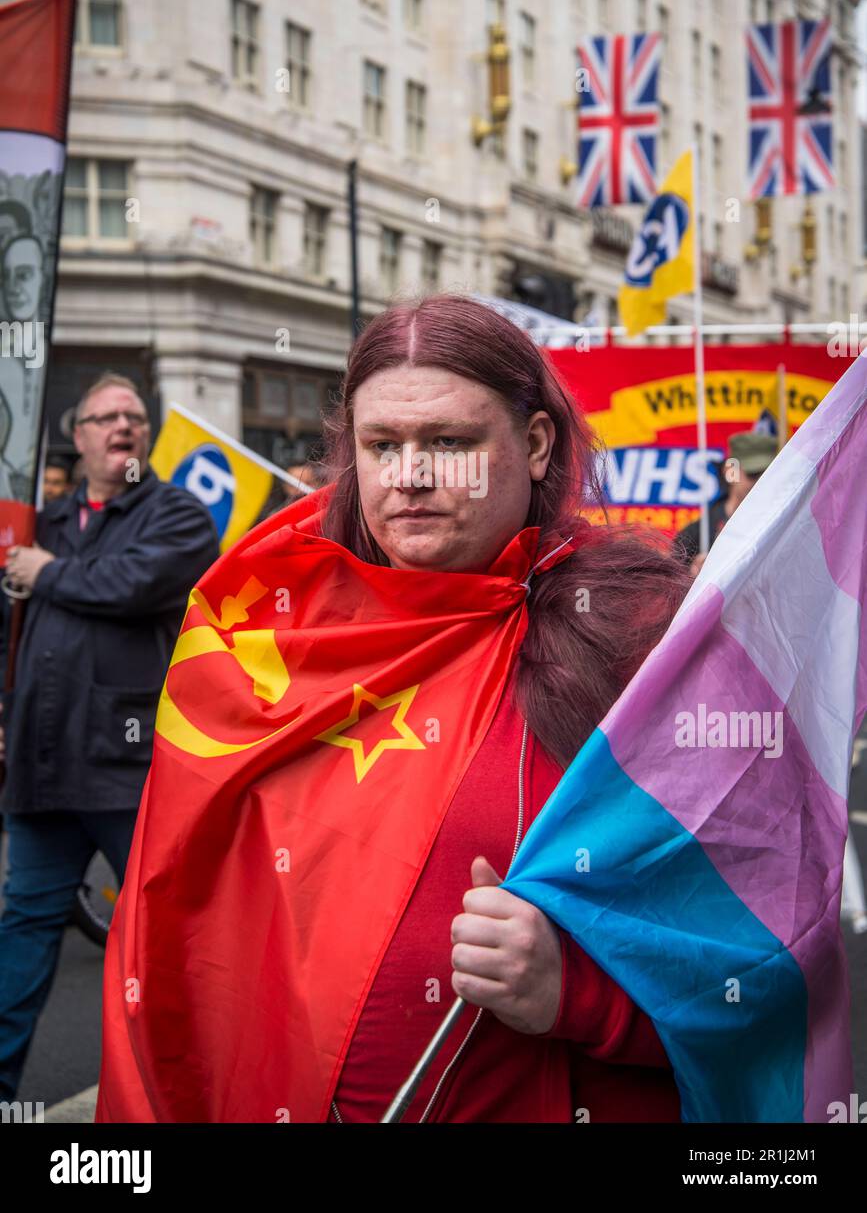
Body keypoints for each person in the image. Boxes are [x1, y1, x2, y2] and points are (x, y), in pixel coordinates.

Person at [96, 296, 690, 1124]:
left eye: (450, 442)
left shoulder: (643, 635)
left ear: (534, 443)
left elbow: (759, 945)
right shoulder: (275, 629)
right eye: (383, 446)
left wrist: (579, 994)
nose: (409, 475)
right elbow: (188, 915)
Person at [0, 372, 220, 1102]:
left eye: (134, 417)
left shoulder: (179, 514)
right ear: (81, 434)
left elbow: (135, 582)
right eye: (107, 417)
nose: (123, 426)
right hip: (42, 763)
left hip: (131, 767)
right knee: (26, 928)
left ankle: (181, 1092)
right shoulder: (46, 522)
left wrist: (49, 573)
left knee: (162, 938)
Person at [675, 429, 777, 577]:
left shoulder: (782, 524)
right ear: (730, 471)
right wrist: (691, 578)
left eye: (770, 474)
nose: (762, 482)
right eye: (754, 474)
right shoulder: (695, 535)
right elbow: (667, 586)